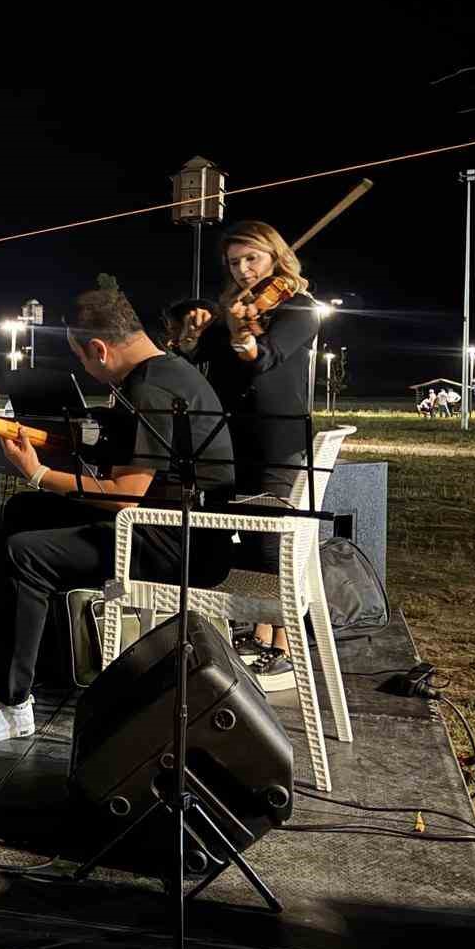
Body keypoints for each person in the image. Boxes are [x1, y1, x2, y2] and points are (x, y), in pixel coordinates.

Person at [0, 277, 236, 744]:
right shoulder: (164, 371)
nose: (85, 369)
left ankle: (11, 705)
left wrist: (38, 472)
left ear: (99, 349)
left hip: (178, 539)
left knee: (25, 552)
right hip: (165, 521)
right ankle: (22, 655)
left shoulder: (151, 389)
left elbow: (124, 494)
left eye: (81, 359)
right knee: (27, 513)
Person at [173, 221, 317, 691]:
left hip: (275, 440)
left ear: (274, 256)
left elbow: (269, 357)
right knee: (233, 532)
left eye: (252, 258)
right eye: (235, 262)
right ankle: (253, 627)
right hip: (229, 436)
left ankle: (286, 645)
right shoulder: (230, 307)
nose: (244, 269)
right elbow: (198, 362)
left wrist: (247, 340)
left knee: (269, 539)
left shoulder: (299, 308)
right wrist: (194, 337)